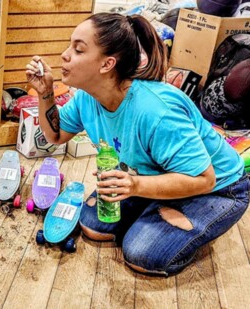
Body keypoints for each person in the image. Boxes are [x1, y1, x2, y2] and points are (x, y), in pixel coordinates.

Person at [26, 13, 248, 276]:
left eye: (78, 49)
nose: (65, 55)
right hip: (154, 177)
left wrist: (135, 185)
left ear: (107, 64)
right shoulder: (86, 98)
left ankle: (186, 220)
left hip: (218, 188)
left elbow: (204, 179)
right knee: (92, 226)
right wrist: (45, 93)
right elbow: (56, 136)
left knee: (141, 253)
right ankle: (153, 206)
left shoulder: (156, 110)